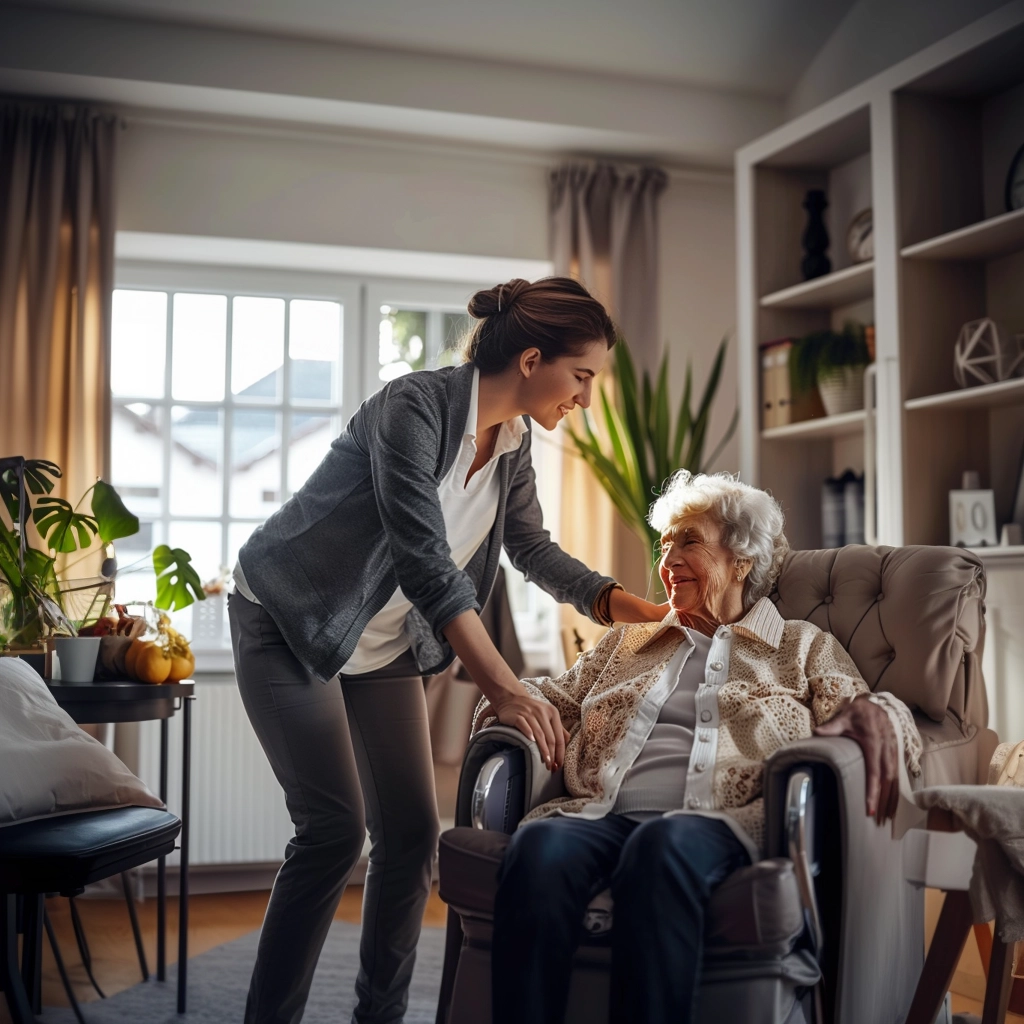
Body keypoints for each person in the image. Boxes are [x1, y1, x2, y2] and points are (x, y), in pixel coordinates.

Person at [227, 277, 666, 1024]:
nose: (586, 399)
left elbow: (530, 548)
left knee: (409, 836)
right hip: (289, 620)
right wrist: (506, 688)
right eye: (583, 377)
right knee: (333, 832)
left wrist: (635, 608)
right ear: (533, 359)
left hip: (383, 642)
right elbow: (424, 559)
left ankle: (381, 1016)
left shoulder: (515, 442)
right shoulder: (413, 408)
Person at [485, 471, 922, 1024]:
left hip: (721, 819)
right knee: (539, 847)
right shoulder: (627, 642)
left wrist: (879, 711)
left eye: (689, 541)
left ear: (742, 560)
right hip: (601, 812)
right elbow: (550, 696)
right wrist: (507, 700)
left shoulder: (800, 645)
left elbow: (870, 718)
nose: (667, 559)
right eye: (664, 545)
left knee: (661, 848)